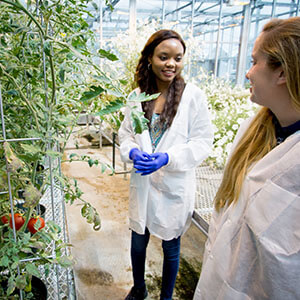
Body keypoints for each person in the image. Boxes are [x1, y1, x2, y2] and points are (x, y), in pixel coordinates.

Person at [193, 17, 300, 300]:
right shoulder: (252, 131)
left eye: (255, 62)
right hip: (220, 282)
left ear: (282, 72)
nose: (248, 73)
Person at [118, 29, 214, 300]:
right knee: (138, 242)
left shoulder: (193, 97)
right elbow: (125, 134)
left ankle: (166, 297)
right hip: (143, 182)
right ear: (150, 58)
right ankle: (139, 289)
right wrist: (133, 152)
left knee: (171, 248)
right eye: (164, 57)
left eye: (178, 58)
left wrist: (167, 158)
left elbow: (203, 141)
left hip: (174, 186)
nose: (171, 63)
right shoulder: (137, 97)